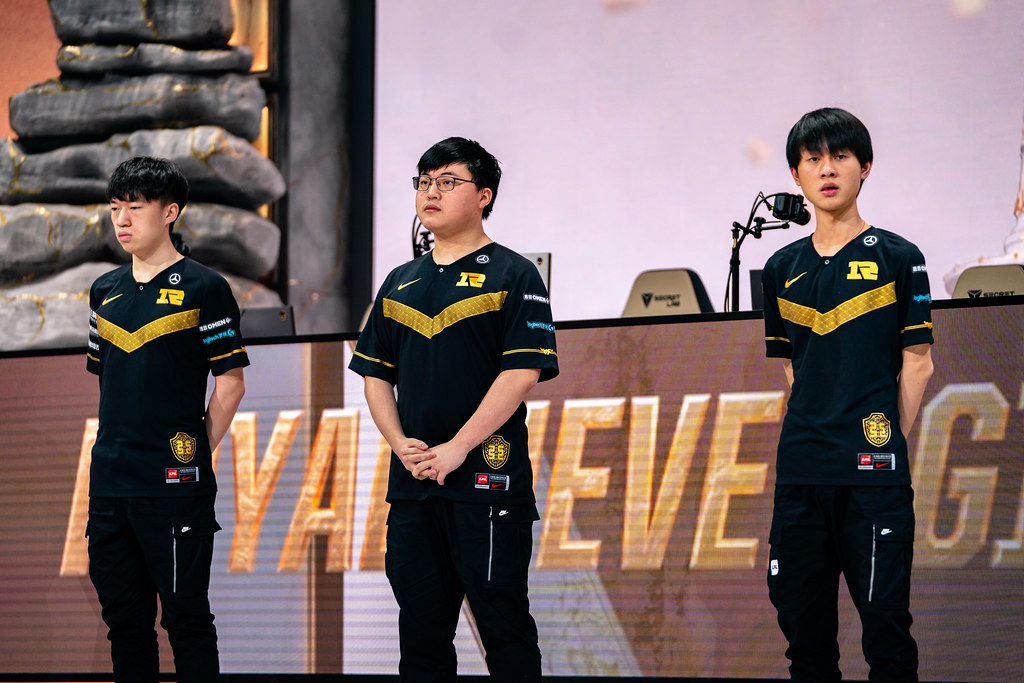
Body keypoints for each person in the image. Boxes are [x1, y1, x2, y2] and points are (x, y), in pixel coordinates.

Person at [349, 136, 558, 680]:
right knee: (421, 636)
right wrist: (401, 445)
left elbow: (522, 372)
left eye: (448, 182)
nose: (431, 193)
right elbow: (375, 374)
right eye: (424, 182)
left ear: (484, 195)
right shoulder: (400, 281)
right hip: (414, 485)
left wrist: (459, 448)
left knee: (504, 628)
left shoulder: (514, 274)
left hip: (487, 480)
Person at [761, 108, 934, 682]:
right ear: (796, 174)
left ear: (866, 167)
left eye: (840, 156)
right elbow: (793, 369)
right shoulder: (780, 267)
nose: (827, 169)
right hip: (801, 473)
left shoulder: (899, 257)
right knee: (805, 641)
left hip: (873, 478)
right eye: (813, 159)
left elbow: (918, 363)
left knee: (887, 634)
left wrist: (885, 439)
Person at [86, 156, 248, 682]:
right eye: (116, 207)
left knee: (187, 621)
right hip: (110, 485)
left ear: (170, 212)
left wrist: (193, 451)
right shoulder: (104, 290)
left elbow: (231, 384)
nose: (122, 219)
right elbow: (107, 382)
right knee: (125, 626)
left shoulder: (206, 287)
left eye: (135, 207)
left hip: (175, 487)